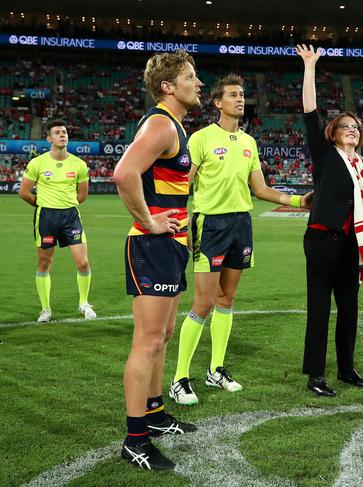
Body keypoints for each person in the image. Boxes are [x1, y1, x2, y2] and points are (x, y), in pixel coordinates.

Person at [169, 74, 312, 405]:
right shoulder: (200, 139)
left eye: (242, 95)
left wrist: (296, 201)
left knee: (227, 298)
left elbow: (259, 189)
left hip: (240, 225)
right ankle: (179, 378)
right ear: (218, 103)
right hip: (210, 225)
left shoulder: (249, 142)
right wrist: (181, 226)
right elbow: (182, 185)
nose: (240, 99)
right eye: (233, 95)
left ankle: (216, 370)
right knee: (203, 303)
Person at [113, 49, 202, 470]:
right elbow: (123, 173)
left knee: (163, 335)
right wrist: (148, 222)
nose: (198, 83)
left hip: (172, 246)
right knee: (147, 341)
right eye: (190, 76)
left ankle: (155, 414)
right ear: (168, 86)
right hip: (152, 246)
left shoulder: (175, 128)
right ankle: (135, 440)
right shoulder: (163, 125)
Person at [296, 44, 363, 397]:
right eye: (344, 126)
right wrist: (310, 66)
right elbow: (310, 111)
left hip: (353, 245)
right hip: (322, 241)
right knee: (319, 309)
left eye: (356, 127)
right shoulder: (325, 156)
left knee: (349, 309)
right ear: (333, 132)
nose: (351, 130)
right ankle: (315, 375)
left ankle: (347, 369)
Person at [19, 119, 96, 323]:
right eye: (57, 132)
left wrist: (65, 204)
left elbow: (82, 195)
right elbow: (24, 192)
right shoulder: (37, 163)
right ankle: (45, 309)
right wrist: (43, 204)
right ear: (49, 138)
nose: (62, 135)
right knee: (45, 263)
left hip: (71, 216)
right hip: (46, 217)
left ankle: (84, 303)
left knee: (83, 261)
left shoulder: (79, 164)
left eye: (64, 132)